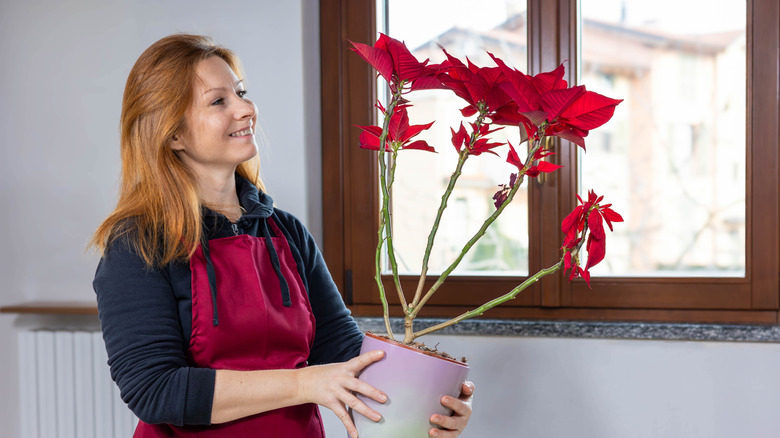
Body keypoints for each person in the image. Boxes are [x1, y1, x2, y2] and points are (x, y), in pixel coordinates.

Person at [90, 34, 474, 438]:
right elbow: (155, 391)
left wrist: (434, 401)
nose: (247, 109)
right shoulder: (138, 245)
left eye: (241, 93)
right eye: (219, 101)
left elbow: (343, 351)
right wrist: (305, 383)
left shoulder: (285, 232)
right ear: (172, 134)